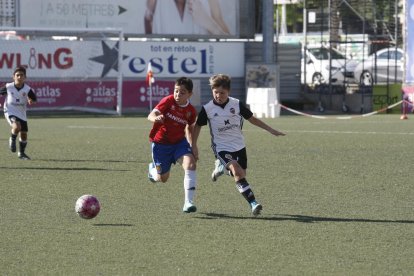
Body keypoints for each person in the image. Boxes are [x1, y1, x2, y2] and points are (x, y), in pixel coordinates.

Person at [192, 74, 285, 216]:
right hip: (221, 147)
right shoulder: (208, 108)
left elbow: (252, 119)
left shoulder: (236, 104)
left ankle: (222, 168)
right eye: (215, 92)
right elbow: (197, 126)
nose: (218, 95)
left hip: (239, 146)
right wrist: (194, 145)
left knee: (241, 175)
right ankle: (253, 203)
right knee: (236, 171)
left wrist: (270, 130)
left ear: (228, 91)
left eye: (222, 93)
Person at [147, 77, 198, 213]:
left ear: (189, 94)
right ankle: (153, 171)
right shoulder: (168, 101)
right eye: (176, 91)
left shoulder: (191, 111)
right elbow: (151, 114)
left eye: (182, 92)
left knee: (191, 164)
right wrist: (155, 118)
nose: (177, 95)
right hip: (160, 145)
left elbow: (189, 128)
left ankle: (188, 202)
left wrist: (193, 146)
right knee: (162, 178)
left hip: (179, 143)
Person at [0, 66, 37, 160]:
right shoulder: (8, 87)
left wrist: (31, 100)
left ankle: (21, 153)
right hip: (9, 111)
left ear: (25, 77)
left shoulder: (27, 89)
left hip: (21, 113)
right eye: (17, 75)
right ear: (13, 77)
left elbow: (34, 99)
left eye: (22, 75)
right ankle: (12, 139)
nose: (19, 77)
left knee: (24, 134)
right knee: (16, 127)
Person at [144, 0, 230, 35]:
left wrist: (207, 22)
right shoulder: (155, 2)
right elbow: (149, 44)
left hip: (202, 65)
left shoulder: (209, 2)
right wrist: (148, 18)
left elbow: (231, 46)